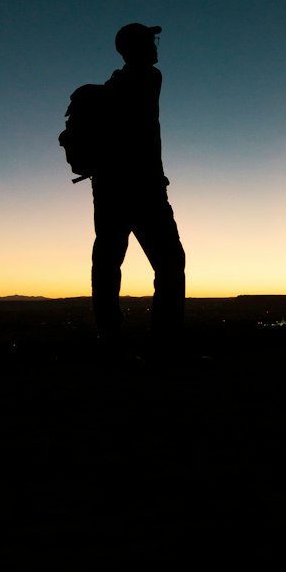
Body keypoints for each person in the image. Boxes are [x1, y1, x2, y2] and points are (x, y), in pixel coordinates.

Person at [90, 22, 186, 346]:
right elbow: (142, 133)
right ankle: (166, 346)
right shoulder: (148, 76)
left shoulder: (111, 85)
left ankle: (109, 341)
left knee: (107, 265)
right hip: (143, 190)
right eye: (150, 40)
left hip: (107, 189)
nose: (156, 45)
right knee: (171, 264)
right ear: (137, 47)